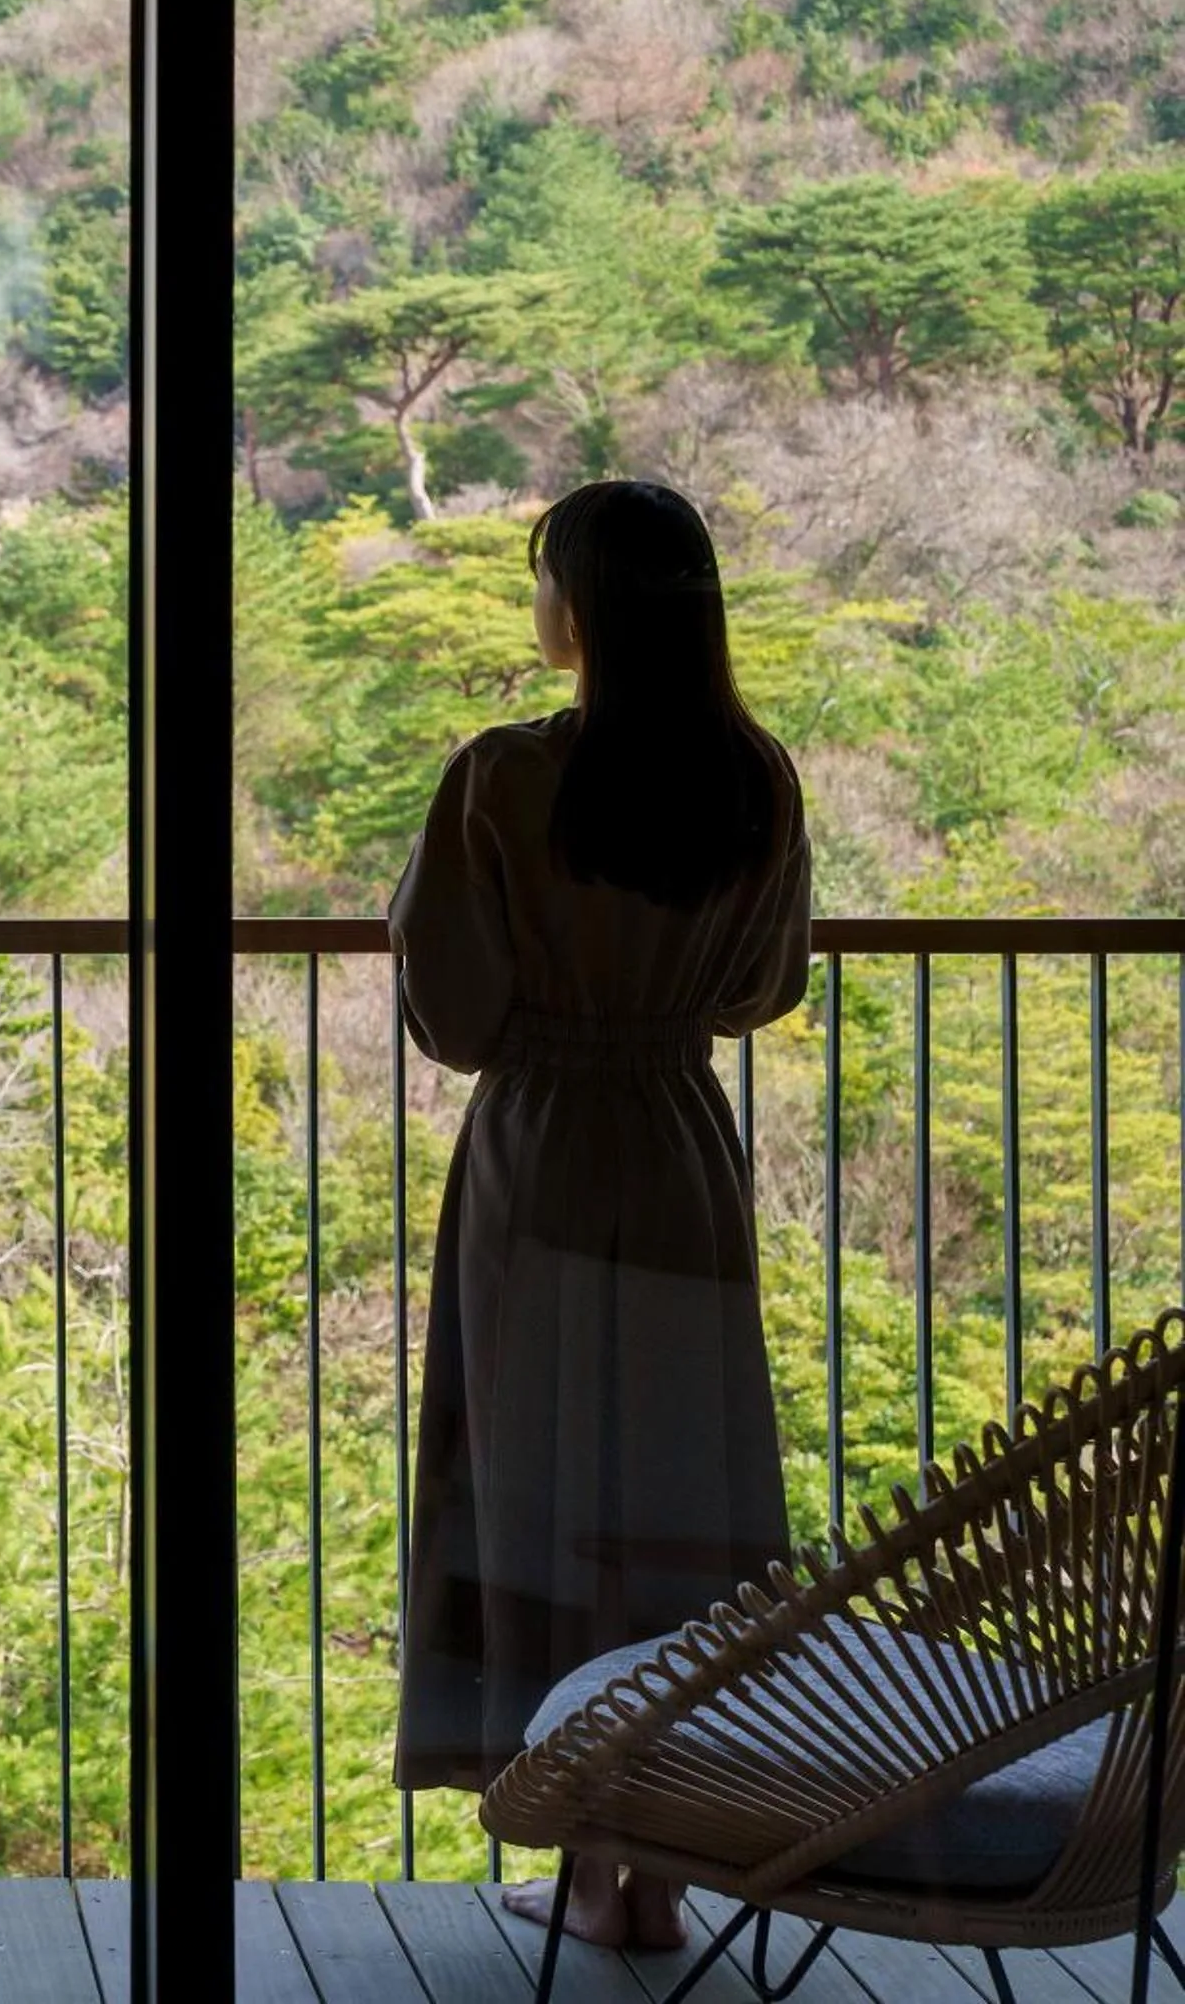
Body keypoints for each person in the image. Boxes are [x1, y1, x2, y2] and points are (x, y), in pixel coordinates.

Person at [388, 479, 812, 1952]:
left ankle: (580, 1856)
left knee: (540, 1492)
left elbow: (454, 1013)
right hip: (681, 1146)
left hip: (546, 1149)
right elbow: (763, 988)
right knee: (680, 1494)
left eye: (544, 576)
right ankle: (668, 1861)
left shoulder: (502, 776)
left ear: (579, 607)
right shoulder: (755, 776)